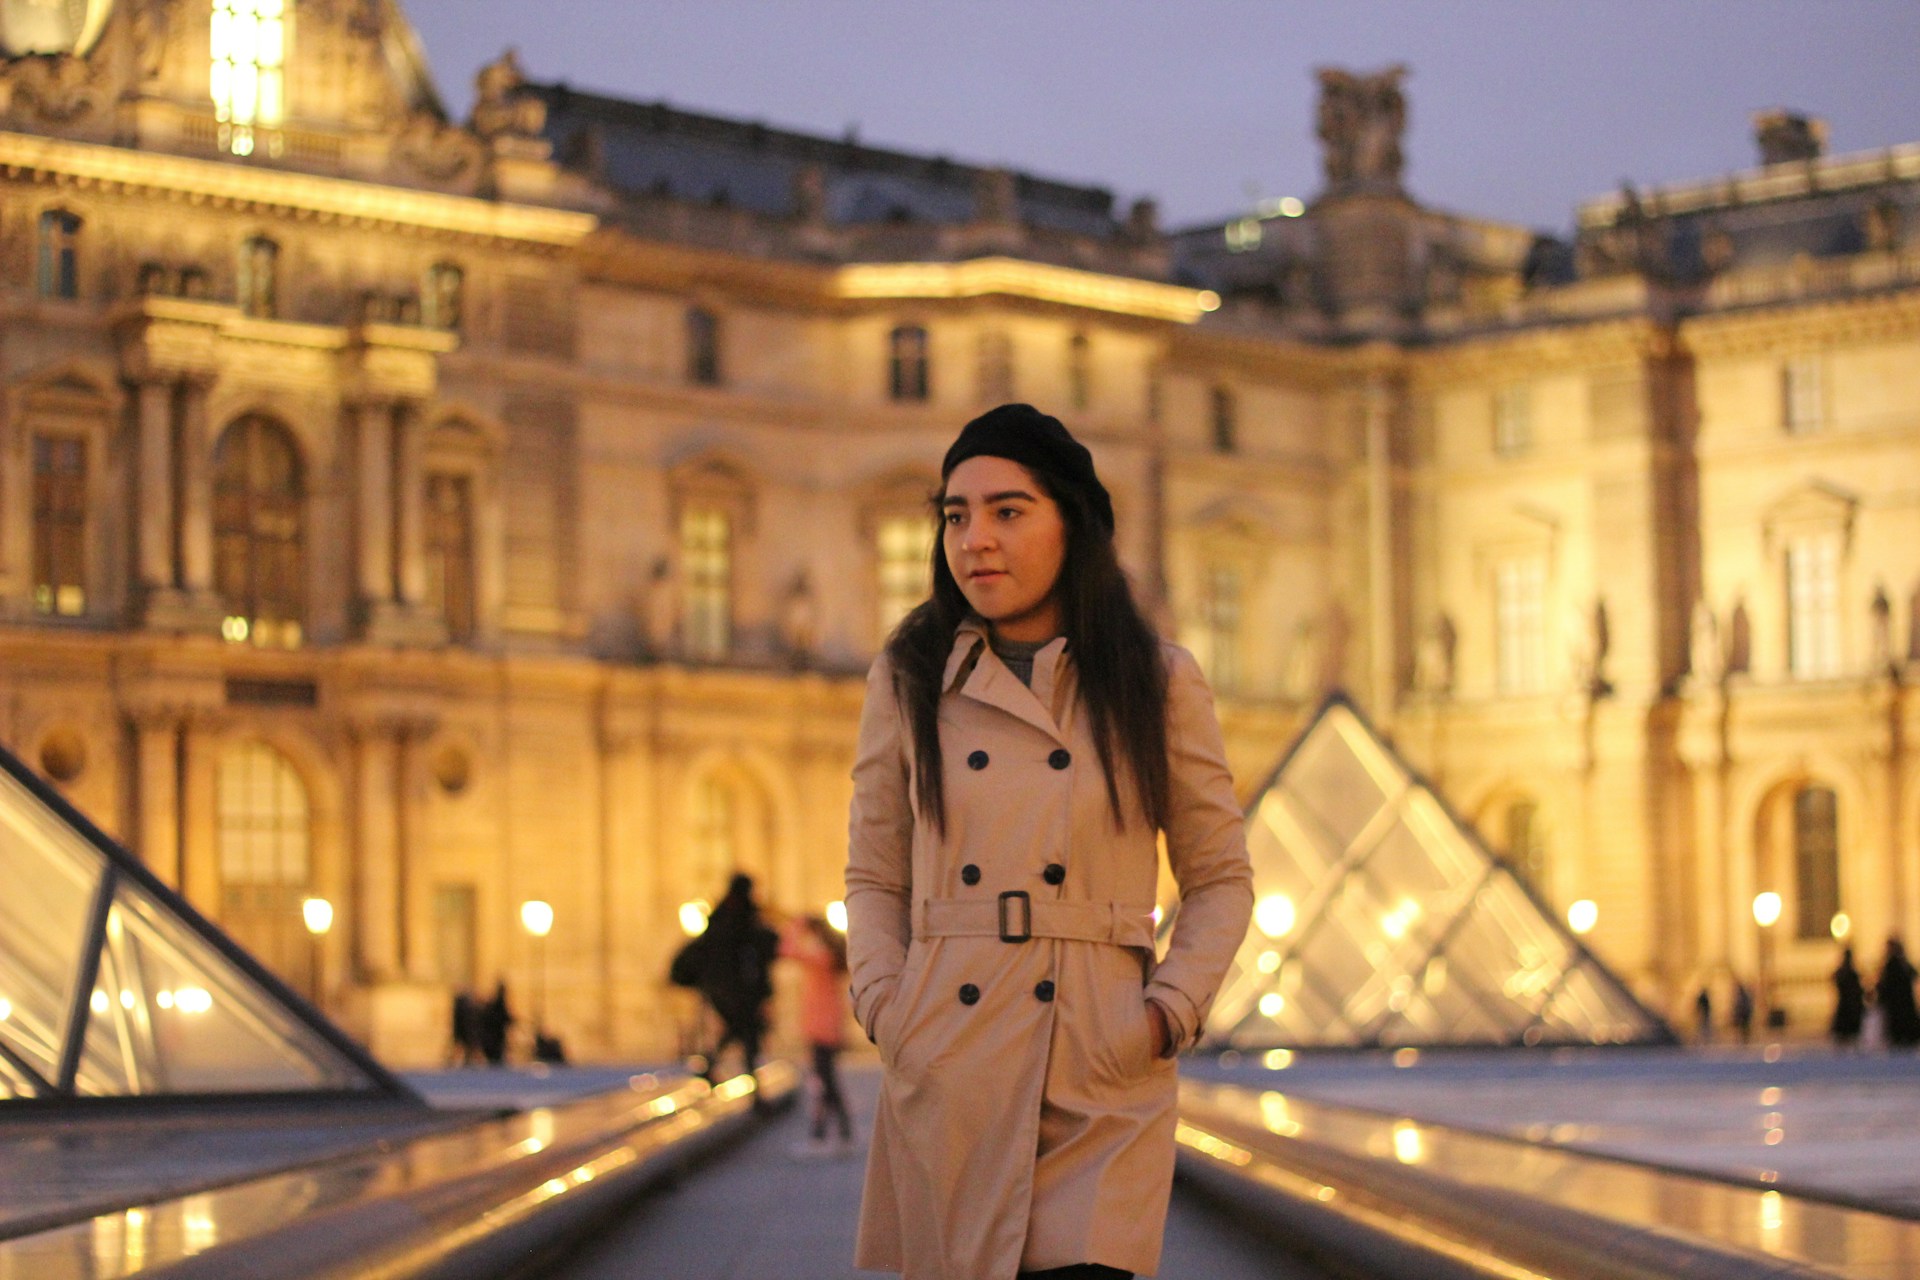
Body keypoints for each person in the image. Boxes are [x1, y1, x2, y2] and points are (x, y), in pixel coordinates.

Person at [845, 404, 1254, 1280]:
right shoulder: (911, 674)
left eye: (1007, 510)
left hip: (1101, 1065)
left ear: (1072, 520)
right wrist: (888, 1005)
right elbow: (875, 874)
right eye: (955, 515)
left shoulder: (1158, 680)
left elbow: (1219, 876)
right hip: (951, 1060)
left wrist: (1165, 1010)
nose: (975, 540)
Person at [694, 873, 779, 1087]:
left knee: (737, 1029)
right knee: (746, 1031)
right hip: (740, 989)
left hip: (719, 986)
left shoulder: (719, 915)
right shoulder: (744, 916)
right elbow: (760, 948)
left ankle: (713, 1063)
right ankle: (753, 1084)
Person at [781, 914, 855, 1156]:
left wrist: (795, 926)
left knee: (825, 1083)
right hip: (827, 1026)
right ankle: (828, 1134)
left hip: (821, 1028)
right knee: (825, 1082)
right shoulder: (828, 957)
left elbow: (787, 950)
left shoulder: (820, 957)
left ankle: (833, 1134)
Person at [1877, 938, 1920, 1049]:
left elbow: (1885, 985)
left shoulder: (1894, 964)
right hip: (1902, 1005)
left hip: (1897, 1006)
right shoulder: (1902, 963)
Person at [1830, 948, 1866, 1050]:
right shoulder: (1851, 973)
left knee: (1846, 1037)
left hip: (1847, 1008)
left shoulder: (1845, 973)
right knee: (1849, 1036)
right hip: (1850, 1008)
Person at [477, 980, 513, 1067]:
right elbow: (503, 1018)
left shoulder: (493, 1005)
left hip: (491, 1039)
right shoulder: (498, 1005)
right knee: (495, 1064)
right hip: (494, 1040)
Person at [1730, 979, 1754, 1045]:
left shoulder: (1743, 995)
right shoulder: (1742, 995)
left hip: (1744, 1013)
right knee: (1742, 1028)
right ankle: (1742, 1039)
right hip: (1743, 1013)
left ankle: (1744, 1040)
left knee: (1744, 1027)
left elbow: (1743, 1005)